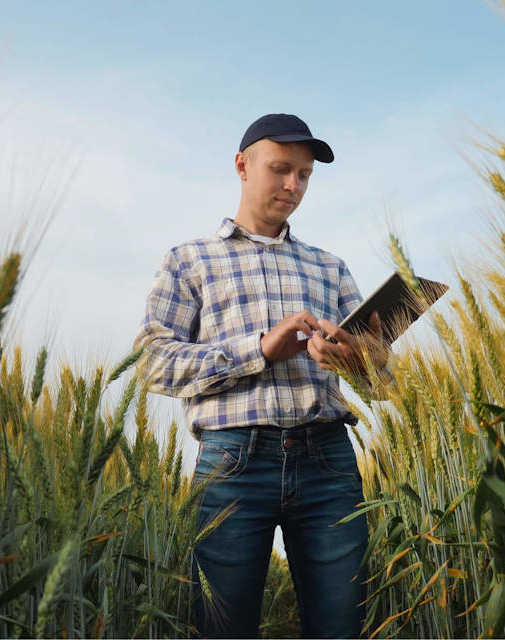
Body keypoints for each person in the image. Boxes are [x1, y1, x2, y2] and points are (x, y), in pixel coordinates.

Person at [135, 113, 388, 638]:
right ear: (242, 166)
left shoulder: (331, 267)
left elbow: (381, 380)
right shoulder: (189, 260)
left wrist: (355, 359)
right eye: (280, 170)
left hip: (328, 460)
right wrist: (260, 350)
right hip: (233, 462)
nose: (293, 186)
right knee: (222, 628)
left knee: (341, 628)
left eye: (304, 176)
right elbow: (153, 362)